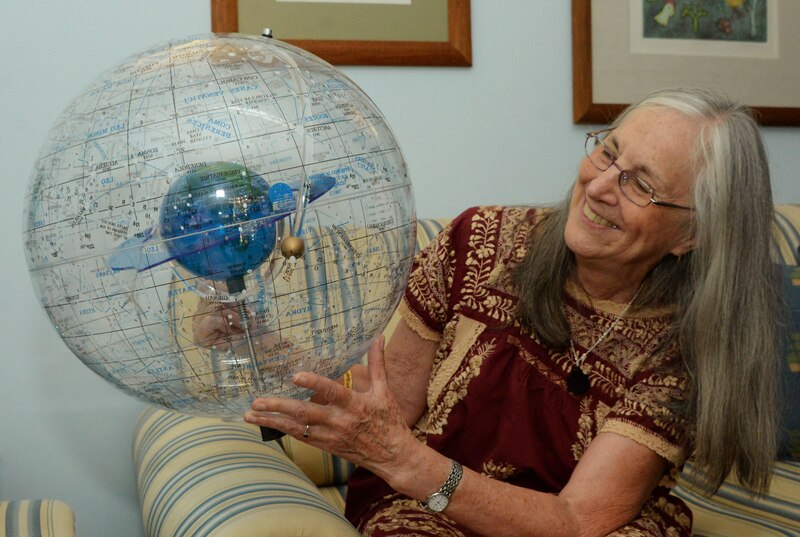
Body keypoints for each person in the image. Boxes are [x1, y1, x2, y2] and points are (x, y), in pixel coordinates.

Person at [243, 88, 783, 536]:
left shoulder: (682, 347)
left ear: (692, 234)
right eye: (607, 152)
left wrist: (403, 458)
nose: (596, 187)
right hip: (427, 510)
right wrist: (260, 347)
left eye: (640, 183)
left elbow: (577, 520)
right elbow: (391, 410)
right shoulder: (478, 241)